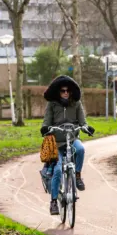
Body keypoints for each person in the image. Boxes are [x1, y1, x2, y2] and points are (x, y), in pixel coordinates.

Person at [41, 75, 94, 215]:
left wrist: (86, 128)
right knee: (58, 170)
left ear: (71, 92)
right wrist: (45, 128)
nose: (65, 93)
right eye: (62, 91)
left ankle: (77, 176)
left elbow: (83, 121)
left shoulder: (76, 103)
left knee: (80, 149)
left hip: (72, 139)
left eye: (67, 91)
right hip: (57, 143)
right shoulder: (52, 104)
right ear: (58, 92)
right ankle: (53, 202)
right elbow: (46, 121)